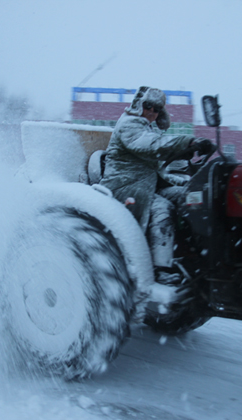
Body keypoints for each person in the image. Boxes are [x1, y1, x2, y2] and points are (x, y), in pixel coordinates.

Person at [100, 86, 214, 283]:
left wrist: (190, 184)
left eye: (157, 109)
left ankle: (191, 254)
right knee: (163, 208)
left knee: (189, 196)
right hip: (125, 186)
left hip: (145, 186)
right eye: (148, 106)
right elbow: (152, 145)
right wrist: (188, 142)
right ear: (138, 105)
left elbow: (157, 172)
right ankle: (160, 269)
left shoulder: (147, 127)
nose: (152, 111)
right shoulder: (130, 124)